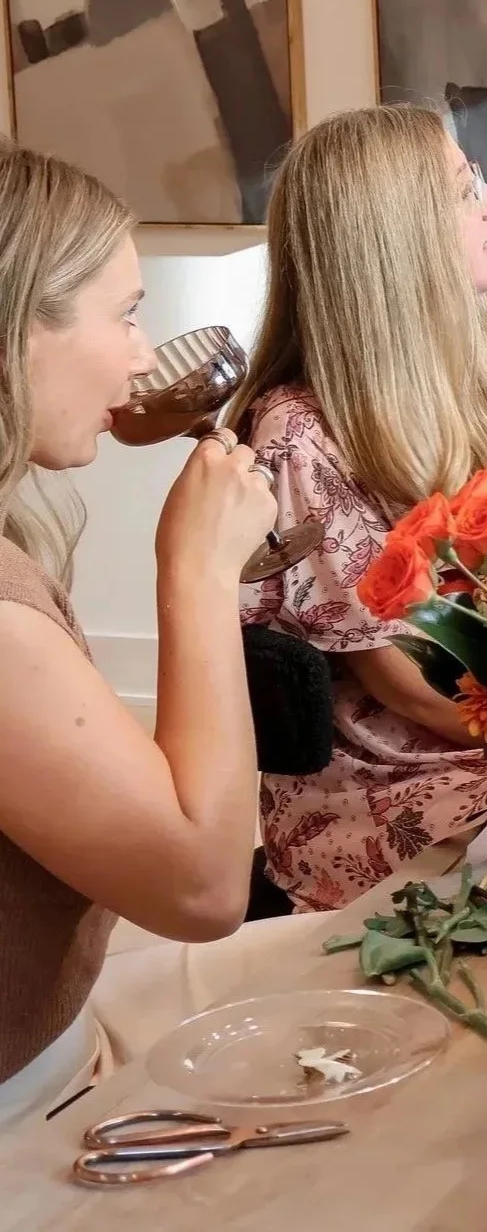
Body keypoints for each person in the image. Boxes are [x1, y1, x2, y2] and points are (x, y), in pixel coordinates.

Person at [230, 105, 487, 913]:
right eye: (463, 186)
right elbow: (400, 685)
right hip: (413, 781)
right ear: (395, 235)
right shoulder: (296, 436)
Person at [0, 148, 277, 1130]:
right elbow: (202, 885)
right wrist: (197, 572)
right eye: (122, 313)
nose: (137, 351)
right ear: (15, 325)